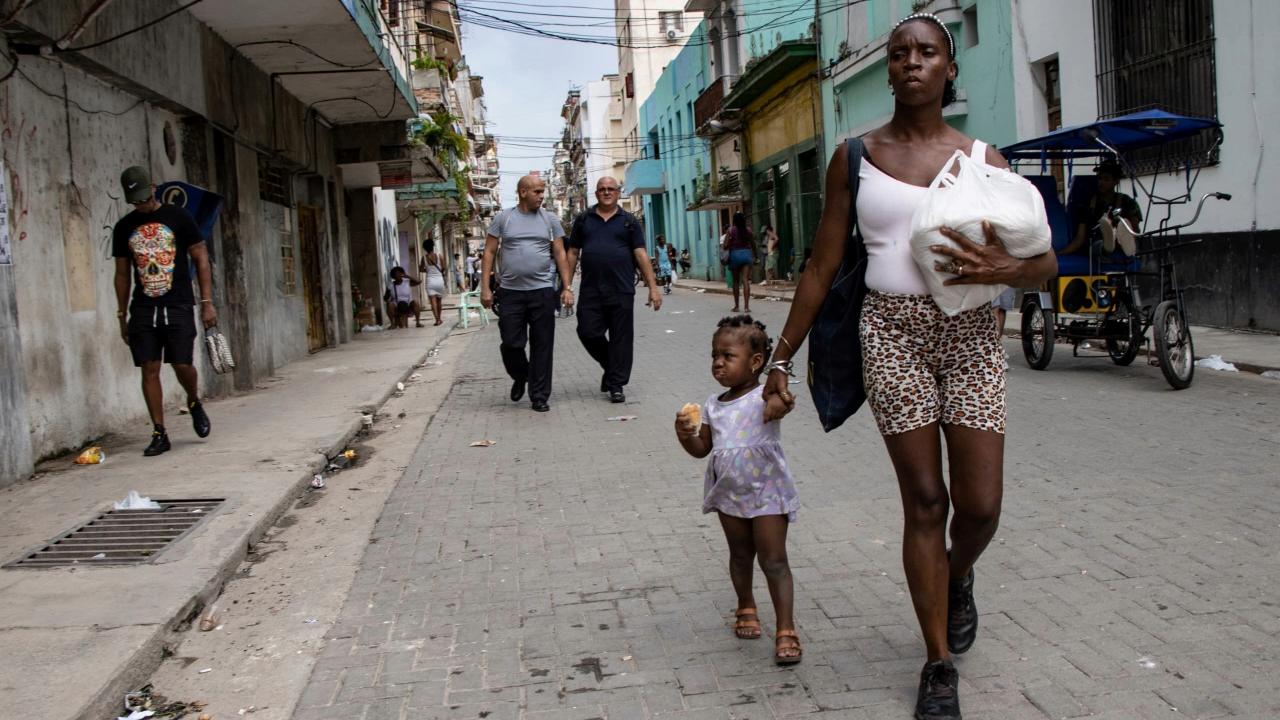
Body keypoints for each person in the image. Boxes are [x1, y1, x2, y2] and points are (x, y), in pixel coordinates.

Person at [759, 13, 1057, 719]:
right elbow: (823, 263)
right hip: (890, 332)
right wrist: (780, 357)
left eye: (927, 52)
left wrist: (1008, 266)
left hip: (973, 335)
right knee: (927, 501)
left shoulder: (986, 161)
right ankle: (937, 663)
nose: (912, 62)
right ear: (888, 70)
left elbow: (1044, 263)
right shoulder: (854, 157)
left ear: (949, 69)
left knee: (980, 506)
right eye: (900, 54)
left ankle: (957, 579)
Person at [675, 315, 801, 665]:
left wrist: (781, 403)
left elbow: (784, 403)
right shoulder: (714, 405)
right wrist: (685, 433)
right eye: (714, 355)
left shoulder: (766, 395)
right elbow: (703, 449)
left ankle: (786, 628)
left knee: (774, 559)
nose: (718, 362)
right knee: (741, 555)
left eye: (727, 356)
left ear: (756, 362)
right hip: (729, 492)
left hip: (767, 491)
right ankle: (746, 604)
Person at [112, 165, 215, 457]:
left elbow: (201, 257)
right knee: (149, 367)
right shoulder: (124, 228)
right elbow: (121, 274)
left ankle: (193, 400)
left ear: (154, 188)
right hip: (143, 308)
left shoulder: (178, 217)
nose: (141, 205)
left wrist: (207, 303)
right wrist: (122, 315)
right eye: (135, 201)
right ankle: (159, 432)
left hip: (178, 302)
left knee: (182, 364)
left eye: (144, 198)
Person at [481, 174, 574, 412]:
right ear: (523, 192)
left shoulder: (550, 219)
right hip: (510, 293)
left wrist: (567, 287)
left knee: (543, 345)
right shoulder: (504, 218)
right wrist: (485, 288)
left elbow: (560, 253)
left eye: (543, 191)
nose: (542, 196)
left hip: (542, 292)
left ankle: (539, 396)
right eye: (537, 192)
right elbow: (490, 252)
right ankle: (521, 375)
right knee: (511, 343)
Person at [566, 176, 661, 404]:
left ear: (618, 193)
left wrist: (653, 287)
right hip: (591, 290)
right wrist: (566, 286)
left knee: (621, 339)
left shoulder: (628, 221)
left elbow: (640, 253)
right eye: (602, 189)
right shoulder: (583, 219)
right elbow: (572, 253)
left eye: (611, 189)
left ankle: (616, 384)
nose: (606, 192)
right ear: (596, 193)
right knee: (587, 332)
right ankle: (611, 368)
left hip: (621, 289)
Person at [1060, 160, 1143, 258]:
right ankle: (1106, 245)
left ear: (1116, 181)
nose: (1101, 183)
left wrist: (1123, 222)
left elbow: (1135, 227)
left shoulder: (1127, 202)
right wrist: (1060, 253)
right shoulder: (1089, 204)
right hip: (1096, 243)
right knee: (1098, 245)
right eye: (1099, 179)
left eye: (1106, 179)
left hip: (1122, 241)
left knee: (1125, 228)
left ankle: (1122, 242)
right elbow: (1080, 238)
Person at [725, 212, 757, 313]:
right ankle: (747, 307)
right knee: (745, 280)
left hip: (735, 255)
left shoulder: (730, 230)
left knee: (736, 282)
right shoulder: (748, 230)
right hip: (747, 255)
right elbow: (753, 244)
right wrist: (755, 256)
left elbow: (725, 246)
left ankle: (737, 306)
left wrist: (730, 242)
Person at [418, 240, 446, 326]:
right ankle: (440, 319)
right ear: (433, 246)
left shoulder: (424, 258)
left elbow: (421, 269)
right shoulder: (439, 256)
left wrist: (428, 270)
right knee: (439, 301)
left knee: (433, 301)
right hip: (439, 280)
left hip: (430, 281)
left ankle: (437, 319)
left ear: (425, 248)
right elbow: (444, 268)